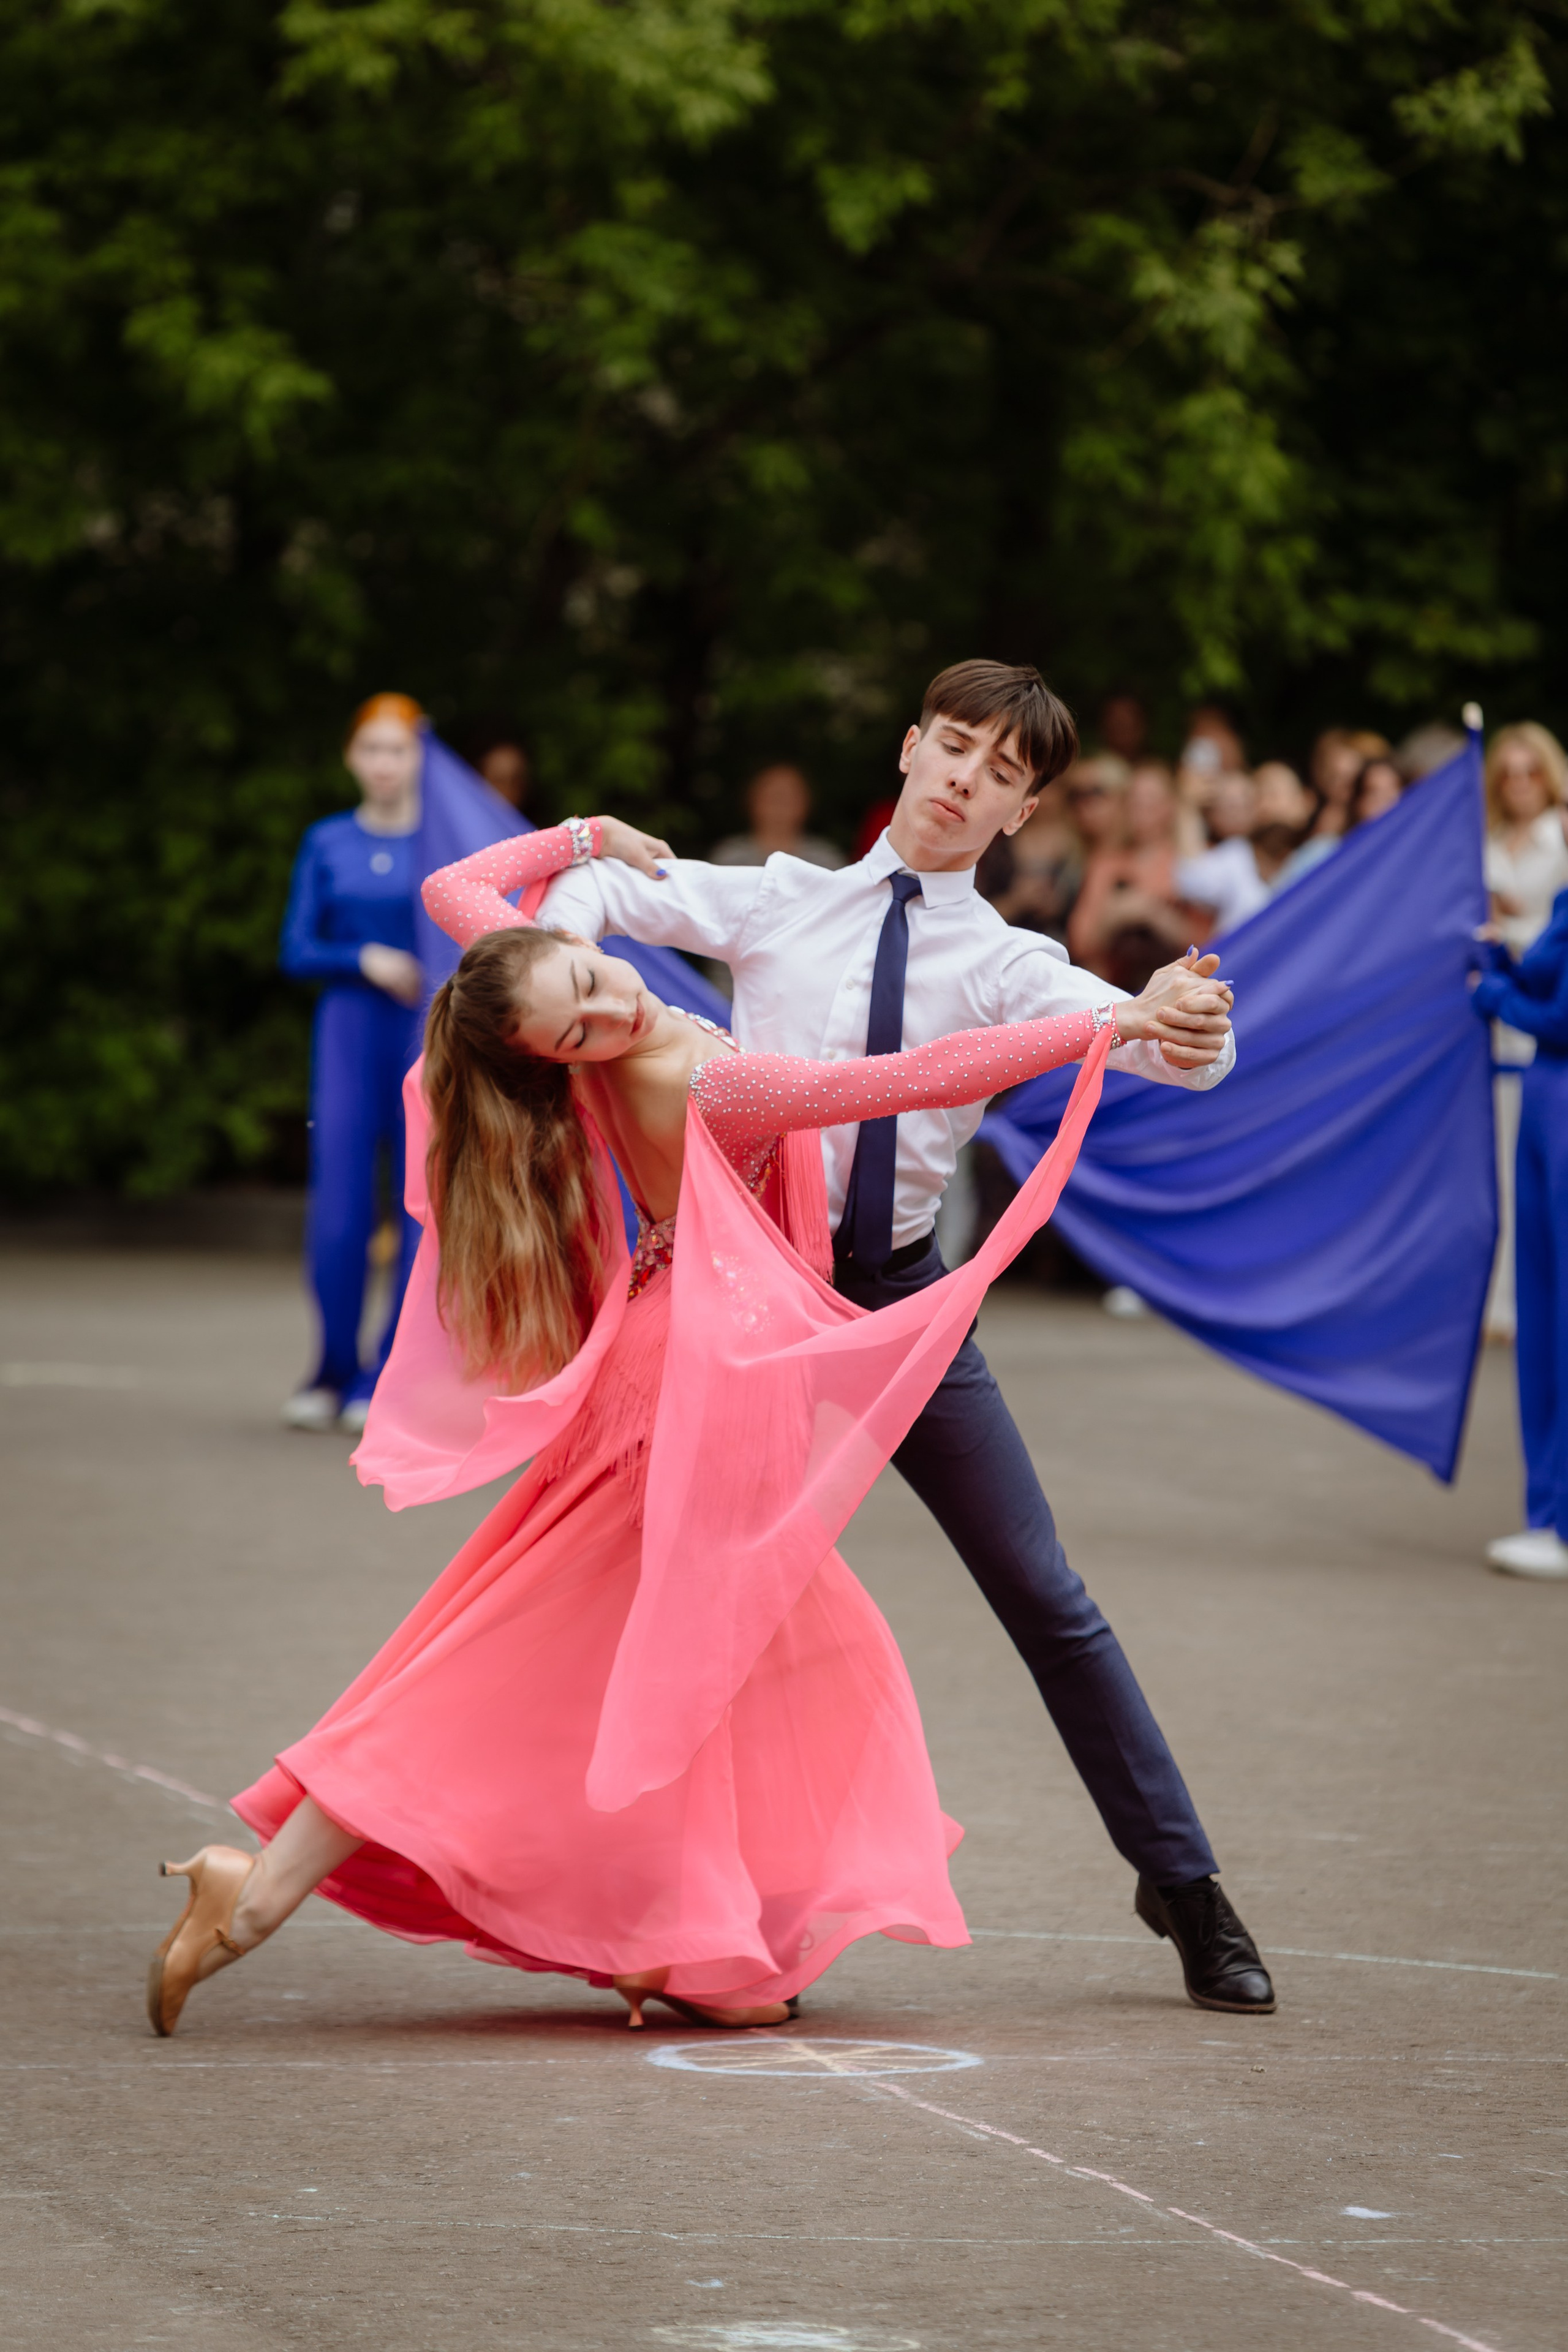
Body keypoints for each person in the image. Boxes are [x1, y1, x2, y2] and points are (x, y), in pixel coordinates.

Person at [144, 810, 1233, 2035]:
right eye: (577, 1032)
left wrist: (576, 836)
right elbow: (889, 1082)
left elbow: (456, 887)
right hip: (694, 1392)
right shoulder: (700, 1076)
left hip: (690, 1370)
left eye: (593, 978)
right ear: (551, 1057)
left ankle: (675, 1941)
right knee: (565, 1653)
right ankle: (280, 1900)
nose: (609, 1009)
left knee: (668, 1657)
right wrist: (1103, 1021)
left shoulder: (569, 1001)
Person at [527, 660, 1277, 2016]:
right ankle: (694, 1921)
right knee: (701, 1606)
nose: (961, 781)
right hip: (754, 1305)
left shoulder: (1001, 961)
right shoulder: (775, 899)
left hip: (902, 1303)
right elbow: (589, 899)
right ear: (906, 748)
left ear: (1018, 815)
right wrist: (578, 923)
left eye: (998, 775)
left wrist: (1190, 1013)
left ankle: (1183, 1887)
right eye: (951, 748)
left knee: (1045, 1596)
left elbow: (1177, 1055)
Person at [277, 693, 428, 1435]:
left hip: (422, 1034)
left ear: (419, 759)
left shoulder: (444, 841)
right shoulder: (326, 840)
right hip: (346, 1030)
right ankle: (329, 1370)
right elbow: (295, 948)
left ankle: (384, 1373)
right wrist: (363, 957)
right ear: (350, 757)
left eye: (397, 749)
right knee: (337, 1210)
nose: (383, 763)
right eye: (371, 749)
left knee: (416, 1207)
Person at [1472, 860, 1568, 1578]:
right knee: (1542, 1316)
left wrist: (1491, 992)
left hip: (1557, 1101)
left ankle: (1560, 1520)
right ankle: (1547, 1510)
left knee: (1560, 1319)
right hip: (1544, 1104)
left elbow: (1558, 1014)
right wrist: (1499, 959)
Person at [1482, 725, 1568, 1342]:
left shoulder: (1559, 839)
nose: (1518, 785)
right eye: (1507, 773)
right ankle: (1501, 1301)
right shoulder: (1484, 840)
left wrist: (1509, 934)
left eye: (1529, 771)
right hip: (1507, 1027)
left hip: (1536, 1021)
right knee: (1506, 1166)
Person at [1069, 759, 1199, 987]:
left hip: (1177, 988)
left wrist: (1152, 913)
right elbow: (1079, 942)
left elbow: (1211, 942)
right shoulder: (1106, 863)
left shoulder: (1192, 863)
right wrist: (1115, 917)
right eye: (1135, 801)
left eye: (1151, 801)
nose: (1141, 809)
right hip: (1115, 988)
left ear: (1170, 806)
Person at [713, 762, 845, 870]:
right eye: (773, 797)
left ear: (807, 803)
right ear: (751, 801)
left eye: (789, 797)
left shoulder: (826, 859)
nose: (780, 805)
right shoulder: (728, 858)